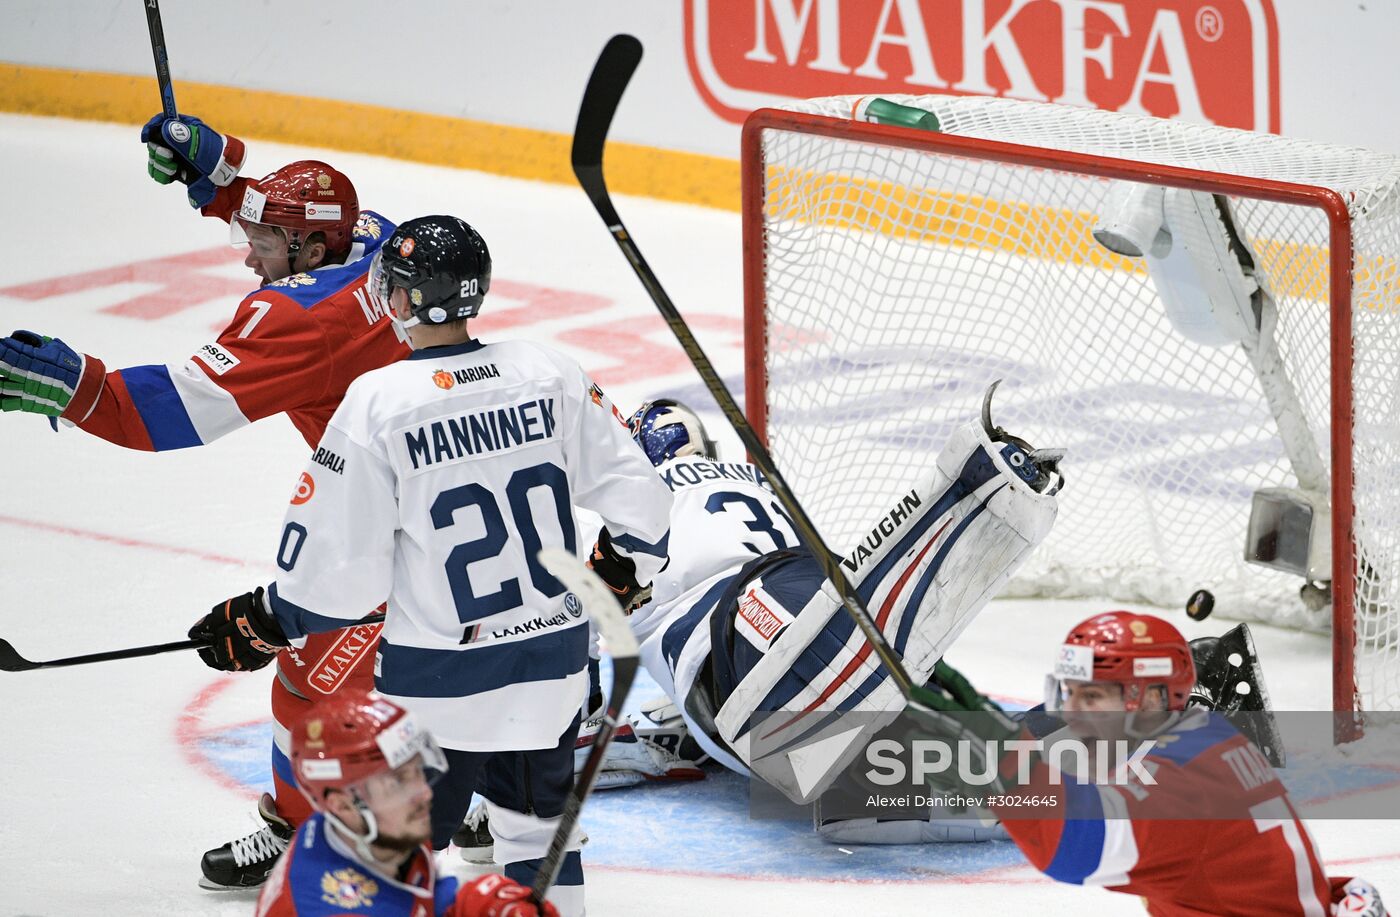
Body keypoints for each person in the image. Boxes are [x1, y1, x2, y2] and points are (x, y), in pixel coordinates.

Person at [188, 215, 673, 917]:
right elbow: (646, 506)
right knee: (539, 836)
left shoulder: (379, 402)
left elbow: (335, 578)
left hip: (437, 683)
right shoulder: (550, 371)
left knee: (401, 854)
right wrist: (622, 571)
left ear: (406, 301)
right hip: (557, 665)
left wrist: (266, 619)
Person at [0, 111, 408, 888]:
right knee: (350, 677)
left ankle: (352, 839)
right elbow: (308, 233)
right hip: (430, 492)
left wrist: (76, 384)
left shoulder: (296, 320)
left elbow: (169, 412)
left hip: (386, 538)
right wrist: (220, 183)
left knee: (314, 694)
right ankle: (479, 780)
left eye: (262, 242)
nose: (247, 255)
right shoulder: (379, 243)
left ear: (310, 250)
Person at [622, 396, 1062, 808]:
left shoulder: (628, 498)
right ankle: (1050, 734)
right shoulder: (756, 479)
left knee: (821, 701)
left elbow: (569, 611)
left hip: (740, 621)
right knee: (879, 687)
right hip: (815, 583)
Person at [913, 610, 1388, 916]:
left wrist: (1008, 763)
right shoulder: (1204, 738)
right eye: (1069, 692)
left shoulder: (1185, 786)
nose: (1071, 713)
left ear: (1152, 699)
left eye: (1094, 696)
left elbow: (1075, 847)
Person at [256, 687, 558, 917]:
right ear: (343, 805)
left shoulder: (365, 829)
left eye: (417, 772)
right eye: (398, 782)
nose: (424, 793)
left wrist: (473, 904)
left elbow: (417, 897)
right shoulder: (336, 907)